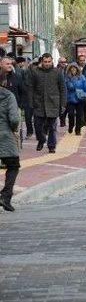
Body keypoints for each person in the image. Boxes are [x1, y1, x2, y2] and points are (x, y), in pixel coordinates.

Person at [27, 53, 66, 153]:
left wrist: (63, 104)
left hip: (53, 103)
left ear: (52, 61)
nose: (47, 63)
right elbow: (30, 87)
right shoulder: (35, 72)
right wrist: (30, 102)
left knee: (52, 127)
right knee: (38, 126)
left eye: (49, 62)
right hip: (38, 103)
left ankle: (51, 146)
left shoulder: (58, 72)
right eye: (45, 62)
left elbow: (63, 89)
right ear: (42, 61)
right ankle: (41, 139)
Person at [0, 71, 21, 212]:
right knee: (13, 165)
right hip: (5, 135)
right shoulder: (8, 96)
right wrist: (14, 130)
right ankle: (5, 196)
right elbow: (14, 119)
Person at [64, 63, 86, 135]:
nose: (73, 70)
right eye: (71, 68)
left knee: (79, 115)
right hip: (70, 99)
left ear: (77, 69)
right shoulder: (67, 78)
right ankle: (71, 126)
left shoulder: (82, 77)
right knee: (71, 114)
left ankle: (78, 130)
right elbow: (69, 87)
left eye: (75, 68)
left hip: (80, 98)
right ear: (69, 70)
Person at [77, 55, 86, 123]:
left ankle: (84, 120)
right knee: (79, 107)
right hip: (77, 91)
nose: (82, 62)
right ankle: (80, 121)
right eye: (81, 60)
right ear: (78, 61)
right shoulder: (75, 68)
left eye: (83, 60)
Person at [57, 56, 69, 127]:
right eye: (62, 62)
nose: (63, 64)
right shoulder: (56, 70)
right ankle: (62, 119)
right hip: (58, 91)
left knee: (66, 107)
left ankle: (63, 118)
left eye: (64, 62)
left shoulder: (68, 70)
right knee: (60, 106)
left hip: (67, 91)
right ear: (59, 63)